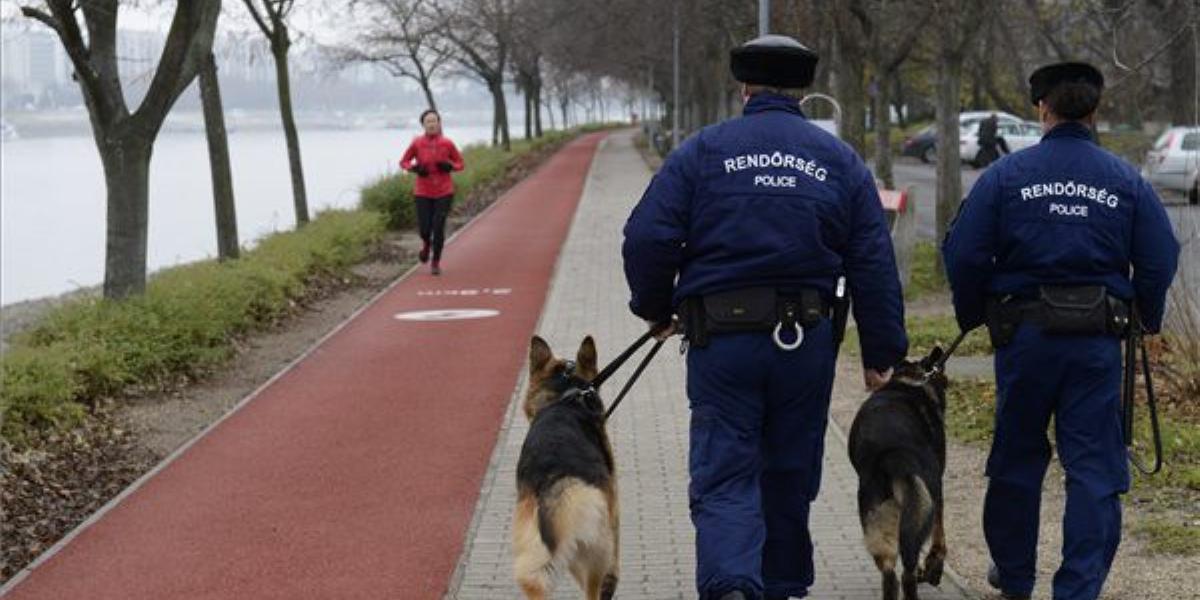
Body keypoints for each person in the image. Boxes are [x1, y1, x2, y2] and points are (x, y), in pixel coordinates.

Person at [622, 34, 908, 600]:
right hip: (804, 343)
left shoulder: (703, 152)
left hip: (721, 342)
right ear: (804, 90)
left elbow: (647, 236)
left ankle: (731, 584)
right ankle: (779, 585)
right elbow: (874, 261)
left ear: (742, 85)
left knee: (726, 470)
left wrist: (656, 308)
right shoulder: (839, 160)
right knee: (789, 470)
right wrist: (882, 354)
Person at [942, 61, 1179, 600]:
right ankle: (1078, 589)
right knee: (1095, 467)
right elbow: (1161, 255)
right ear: (1095, 112)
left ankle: (1015, 577)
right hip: (1096, 342)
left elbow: (964, 253)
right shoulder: (1125, 180)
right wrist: (1146, 317)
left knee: (1016, 460)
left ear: (1041, 109)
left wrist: (972, 314)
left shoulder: (1004, 177)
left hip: (1024, 340)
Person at [400, 109, 464, 275]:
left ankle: (435, 262)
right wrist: (415, 168)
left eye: (435, 121)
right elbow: (404, 161)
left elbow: (460, 163)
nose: (432, 124)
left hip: (444, 191)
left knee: (438, 226)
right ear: (423, 125)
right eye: (428, 122)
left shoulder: (447, 143)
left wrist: (450, 167)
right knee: (425, 229)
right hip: (423, 191)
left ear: (439, 123)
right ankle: (426, 245)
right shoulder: (417, 143)